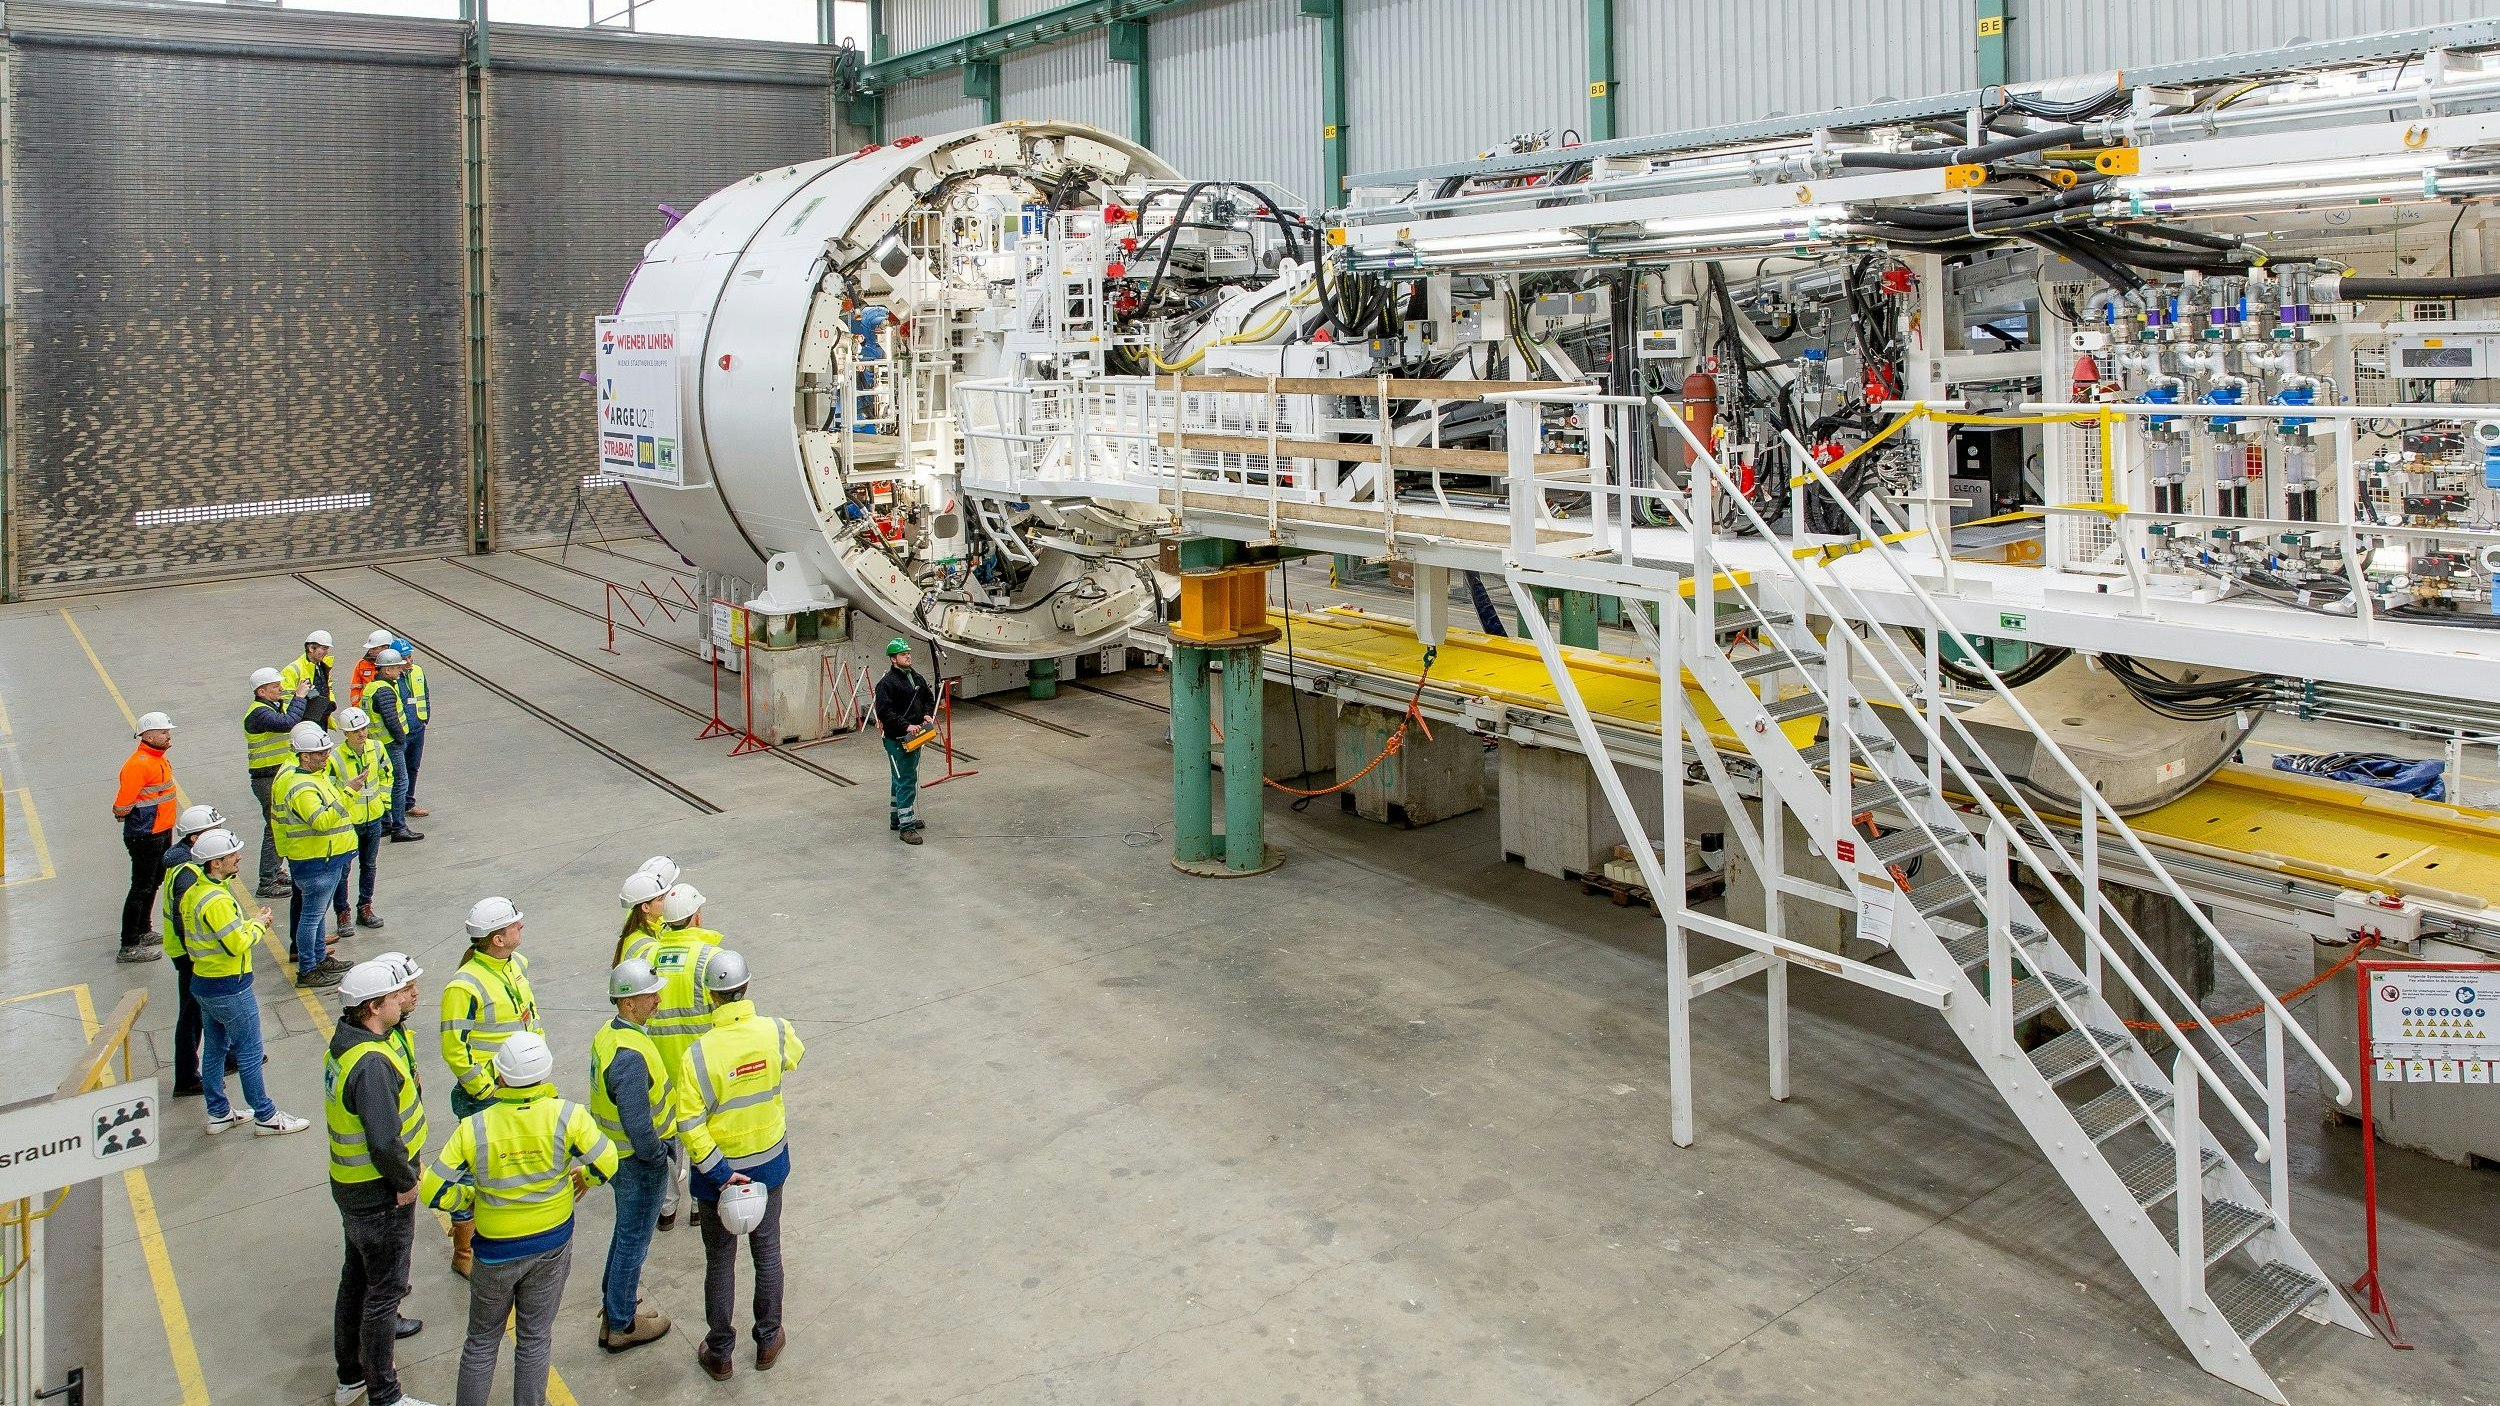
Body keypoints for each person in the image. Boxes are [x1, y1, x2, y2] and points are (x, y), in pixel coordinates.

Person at [420, 1032, 616, 1406]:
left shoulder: (475, 1127)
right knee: (535, 1338)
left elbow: (432, 1189)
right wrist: (585, 1178)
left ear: (500, 1075)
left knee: (481, 1341)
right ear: (546, 1072)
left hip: (495, 1252)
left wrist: (470, 1199)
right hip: (551, 1245)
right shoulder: (568, 1116)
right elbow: (607, 1160)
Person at [674, 949, 803, 1379]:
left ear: (710, 995)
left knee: (719, 1260)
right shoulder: (775, 1031)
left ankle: (720, 1352)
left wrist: (719, 1172)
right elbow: (795, 1056)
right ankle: (768, 1340)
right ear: (746, 987)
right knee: (767, 1252)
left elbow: (689, 1123)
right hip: (768, 1165)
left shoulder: (697, 1055)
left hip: (719, 1177)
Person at [326, 958, 436, 1406]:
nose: (404, 999)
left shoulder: (347, 1045)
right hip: (379, 1193)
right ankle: (384, 1394)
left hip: (352, 1187)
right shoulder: (371, 1064)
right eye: (395, 996)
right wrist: (406, 1181)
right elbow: (384, 1141)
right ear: (373, 1006)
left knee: (357, 1279)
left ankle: (351, 1376)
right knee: (383, 1295)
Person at [178, 828, 312, 1137]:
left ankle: (218, 1113)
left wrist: (249, 924)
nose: (238, 857)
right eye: (232, 854)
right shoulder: (216, 901)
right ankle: (266, 1115)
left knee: (214, 1049)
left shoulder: (196, 892)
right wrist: (260, 925)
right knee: (250, 1051)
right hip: (230, 987)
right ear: (215, 863)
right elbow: (236, 943)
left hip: (205, 982)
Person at [437, 897, 542, 1277]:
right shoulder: (464, 986)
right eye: (514, 924)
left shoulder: (516, 965)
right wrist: (484, 1090)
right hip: (488, 1095)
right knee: (472, 1168)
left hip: (519, 1087)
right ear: (497, 939)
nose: (521, 927)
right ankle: (464, 1250)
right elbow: (455, 1048)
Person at [591, 959, 676, 1354]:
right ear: (627, 1003)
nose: (657, 999)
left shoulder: (610, 1035)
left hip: (617, 1155)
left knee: (625, 1234)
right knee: (633, 1241)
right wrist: (657, 1156)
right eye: (650, 995)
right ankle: (623, 1323)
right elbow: (638, 1122)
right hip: (636, 1161)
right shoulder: (629, 1054)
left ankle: (615, 1310)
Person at [644, 883, 724, 1232]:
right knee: (701, 1132)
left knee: (666, 1136)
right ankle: (697, 1205)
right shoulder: (710, 958)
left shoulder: (649, 956)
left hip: (659, 1064)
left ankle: (666, 1208)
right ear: (697, 917)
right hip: (701, 1062)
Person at [272, 722, 357, 988]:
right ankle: (308, 968)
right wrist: (349, 793)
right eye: (320, 753)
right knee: (311, 917)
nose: (326, 756)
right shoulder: (302, 787)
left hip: (326, 857)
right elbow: (321, 821)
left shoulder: (315, 778)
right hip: (316, 860)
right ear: (304, 757)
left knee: (317, 916)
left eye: (327, 751)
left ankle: (318, 958)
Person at [158, 803, 227, 1095]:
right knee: (192, 1014)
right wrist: (197, 953)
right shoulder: (188, 872)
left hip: (189, 952)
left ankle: (227, 1056)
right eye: (213, 830)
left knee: (208, 1007)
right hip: (190, 955)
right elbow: (183, 919)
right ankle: (186, 1077)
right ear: (195, 838)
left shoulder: (189, 864)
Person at [245, 665, 320, 898]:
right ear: (261, 691)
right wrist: (299, 697)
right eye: (275, 686)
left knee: (280, 825)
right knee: (274, 827)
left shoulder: (271, 707)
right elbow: (287, 723)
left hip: (276, 776)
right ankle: (267, 881)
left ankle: (275, 871)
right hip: (266, 778)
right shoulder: (259, 713)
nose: (281, 688)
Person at [112, 710, 179, 963]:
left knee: (153, 881)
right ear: (148, 736)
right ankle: (129, 945)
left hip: (160, 830)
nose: (168, 735)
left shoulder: (159, 759)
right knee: (141, 887)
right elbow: (122, 806)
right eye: (163, 732)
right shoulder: (138, 765)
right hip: (145, 835)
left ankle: (143, 930)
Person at [327, 707, 394, 932]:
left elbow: (387, 775)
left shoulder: (377, 748)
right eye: (356, 731)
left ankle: (365, 907)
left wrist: (384, 803)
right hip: (348, 823)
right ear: (345, 733)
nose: (362, 734)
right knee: (343, 870)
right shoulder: (335, 758)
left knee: (369, 865)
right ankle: (342, 913)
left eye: (364, 728)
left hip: (373, 818)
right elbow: (329, 788)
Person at [873, 639, 936, 845]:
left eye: (908, 652)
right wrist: (906, 726)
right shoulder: (887, 684)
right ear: (893, 659)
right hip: (897, 740)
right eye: (903, 654)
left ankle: (897, 819)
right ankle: (906, 827)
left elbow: (928, 698)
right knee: (906, 780)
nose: (908, 656)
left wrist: (926, 714)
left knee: (899, 778)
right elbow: (884, 712)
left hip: (913, 737)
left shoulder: (915, 677)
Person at [362, 649, 424, 843]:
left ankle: (386, 823)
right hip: (390, 744)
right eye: (397, 667)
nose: (400, 670)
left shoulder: (372, 687)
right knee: (400, 783)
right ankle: (399, 827)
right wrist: (401, 738)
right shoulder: (385, 690)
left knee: (384, 782)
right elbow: (391, 719)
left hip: (378, 744)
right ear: (387, 670)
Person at [393, 639, 432, 820]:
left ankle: (408, 803)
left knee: (413, 767)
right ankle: (394, 809)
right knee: (398, 773)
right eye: (404, 658)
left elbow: (425, 694)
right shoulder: (392, 678)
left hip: (417, 728)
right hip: (401, 732)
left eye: (410, 657)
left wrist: (425, 718)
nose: (408, 661)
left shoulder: (418, 671)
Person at [614, 869, 672, 969]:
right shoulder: (643, 945)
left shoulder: (653, 923)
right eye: (660, 899)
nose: (666, 901)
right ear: (645, 907)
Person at [284, 628, 339, 728]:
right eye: (324, 649)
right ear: (311, 648)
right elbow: (285, 700)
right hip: (303, 724)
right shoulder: (293, 670)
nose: (326, 652)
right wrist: (291, 722)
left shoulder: (322, 667)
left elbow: (328, 687)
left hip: (321, 719)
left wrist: (331, 703)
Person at [348, 630, 395, 704]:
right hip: (367, 707)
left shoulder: (396, 665)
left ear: (385, 647)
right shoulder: (362, 665)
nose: (370, 651)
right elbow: (355, 688)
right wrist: (357, 706)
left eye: (374, 648)